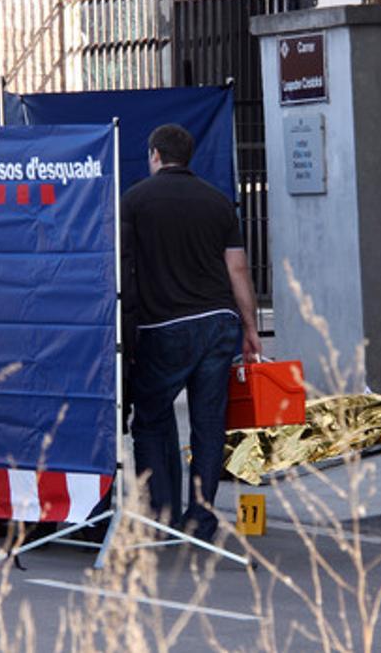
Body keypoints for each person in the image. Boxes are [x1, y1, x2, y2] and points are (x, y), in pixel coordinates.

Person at [122, 124, 262, 541]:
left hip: (162, 327)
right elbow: (237, 269)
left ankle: (160, 517)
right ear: (189, 156)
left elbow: (123, 270)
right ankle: (200, 519)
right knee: (207, 422)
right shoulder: (217, 202)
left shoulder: (134, 201)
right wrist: (251, 328)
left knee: (150, 418)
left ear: (154, 156)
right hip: (219, 324)